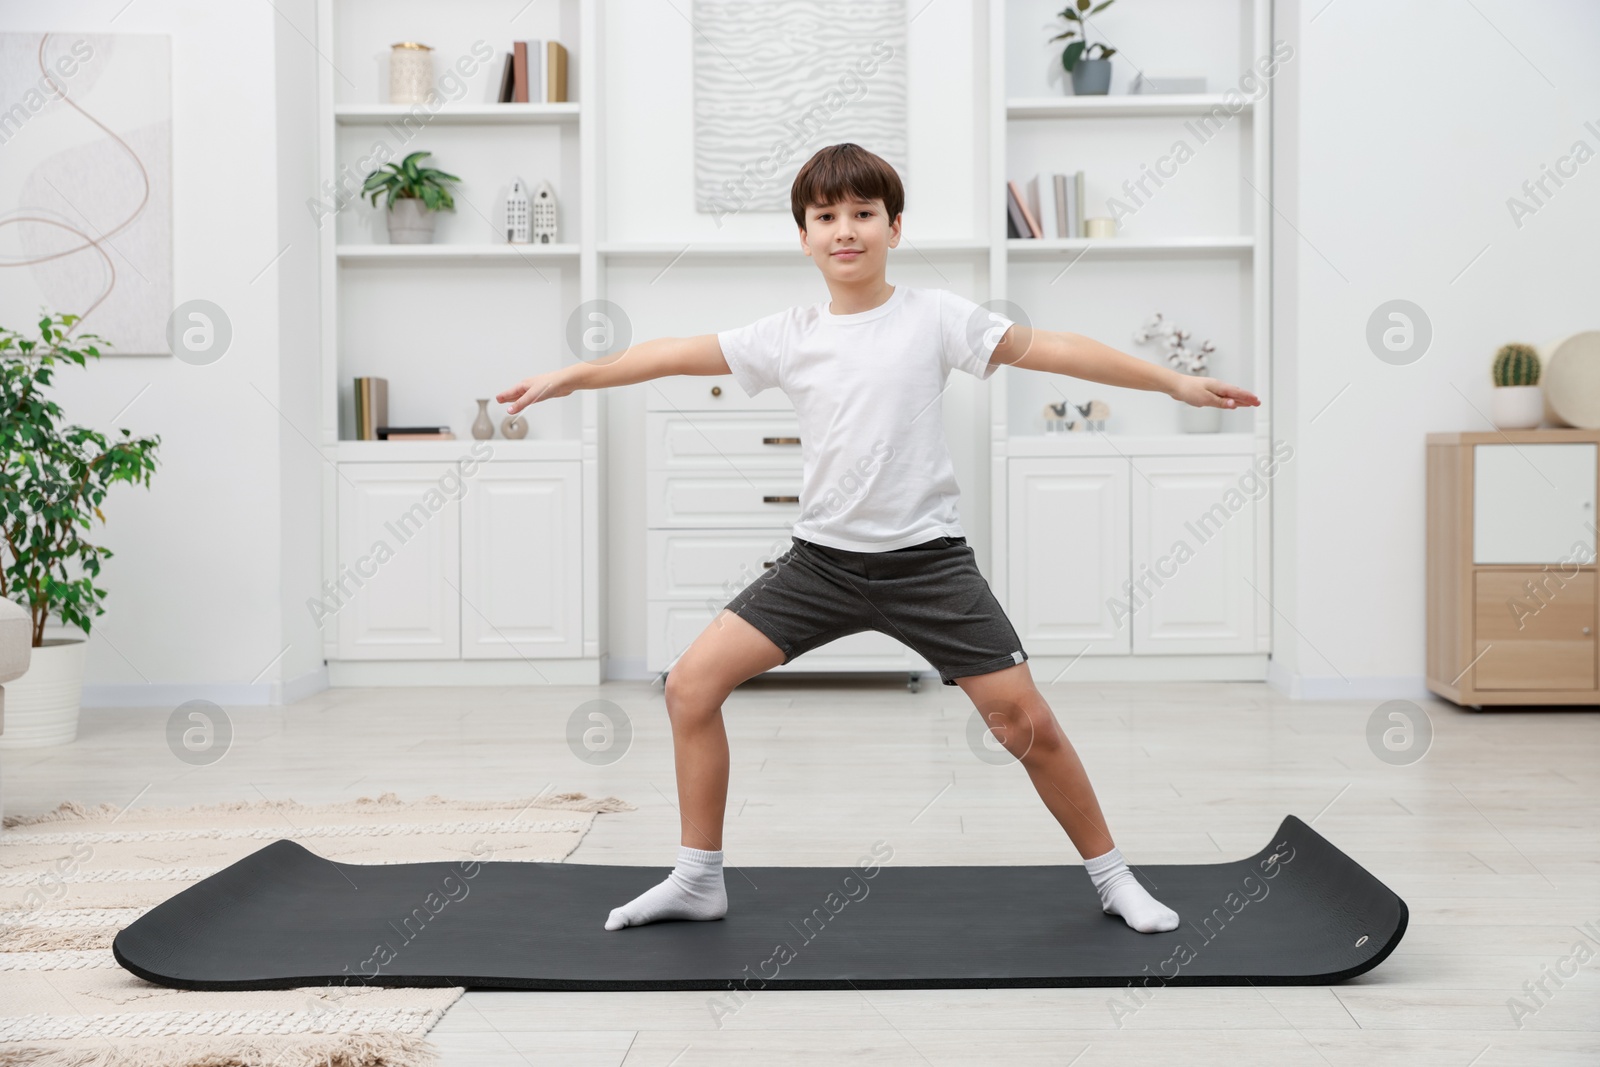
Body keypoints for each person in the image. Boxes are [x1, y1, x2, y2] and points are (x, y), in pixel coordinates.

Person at [497, 142, 1260, 936]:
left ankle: (1114, 878)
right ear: (804, 236)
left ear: (895, 227)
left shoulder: (935, 316)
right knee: (690, 687)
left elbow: (1056, 348)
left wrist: (1174, 381)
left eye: (863, 213)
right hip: (819, 565)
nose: (845, 230)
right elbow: (671, 354)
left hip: (928, 565)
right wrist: (570, 375)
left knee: (1023, 725)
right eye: (826, 217)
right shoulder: (788, 334)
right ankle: (697, 878)